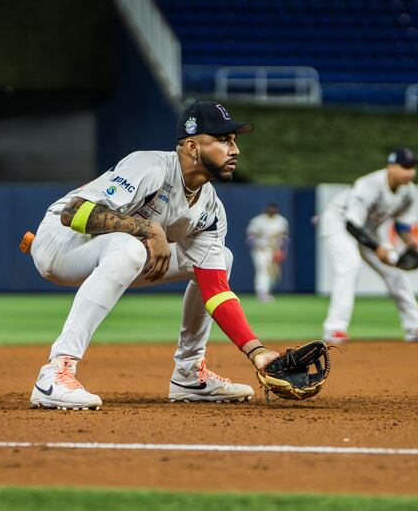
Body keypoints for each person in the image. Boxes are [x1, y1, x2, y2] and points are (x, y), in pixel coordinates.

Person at [26, 100, 281, 410]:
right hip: (61, 242)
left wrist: (258, 353)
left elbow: (215, 289)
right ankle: (56, 371)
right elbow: (72, 213)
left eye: (234, 140)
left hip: (118, 254)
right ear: (191, 146)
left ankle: (189, 374)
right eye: (222, 139)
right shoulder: (150, 166)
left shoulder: (211, 209)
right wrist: (148, 228)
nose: (235, 149)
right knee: (130, 247)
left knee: (221, 259)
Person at [319, 147, 418, 344]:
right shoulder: (369, 185)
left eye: (413, 167)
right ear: (390, 167)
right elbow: (351, 224)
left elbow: (402, 224)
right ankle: (334, 328)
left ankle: (415, 327)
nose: (410, 172)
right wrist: (377, 248)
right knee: (349, 265)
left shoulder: (408, 191)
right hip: (339, 222)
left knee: (395, 270)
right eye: (405, 166)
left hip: (368, 229)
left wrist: (410, 244)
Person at [245, 202, 289, 302]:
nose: (272, 211)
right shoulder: (258, 220)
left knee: (274, 275)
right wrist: (256, 246)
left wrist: (283, 252)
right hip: (261, 250)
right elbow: (249, 237)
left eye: (274, 210)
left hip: (274, 250)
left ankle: (267, 291)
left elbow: (285, 238)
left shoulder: (281, 221)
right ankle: (262, 293)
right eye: (270, 209)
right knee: (263, 270)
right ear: (266, 209)